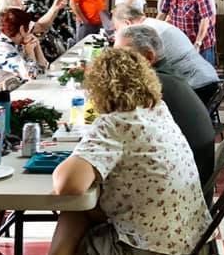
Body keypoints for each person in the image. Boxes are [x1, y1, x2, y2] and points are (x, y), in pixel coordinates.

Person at [50, 48, 211, 255]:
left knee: (72, 213)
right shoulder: (158, 110)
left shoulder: (116, 123)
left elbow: (68, 185)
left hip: (149, 248)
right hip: (190, 241)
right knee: (83, 212)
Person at [114, 24, 215, 202]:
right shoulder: (166, 75)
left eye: (122, 55)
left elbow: (118, 128)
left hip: (184, 191)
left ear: (149, 57)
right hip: (189, 181)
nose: (115, 61)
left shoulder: (154, 86)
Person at [113, 4, 220, 105]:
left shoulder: (144, 32)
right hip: (206, 78)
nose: (116, 33)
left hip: (198, 85)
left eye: (117, 29)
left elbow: (140, 66)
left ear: (127, 23)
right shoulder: (153, 23)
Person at [0, 8, 48, 105]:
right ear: (22, 29)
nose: (30, 32)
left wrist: (36, 45)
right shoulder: (2, 49)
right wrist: (30, 52)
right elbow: (31, 75)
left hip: (8, 93)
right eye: (29, 29)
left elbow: (42, 70)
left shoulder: (15, 44)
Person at [158, 0, 216, 67]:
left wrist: (198, 43)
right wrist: (152, 32)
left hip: (201, 45)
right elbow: (162, 13)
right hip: (181, 44)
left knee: (204, 80)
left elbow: (205, 18)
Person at [0, 0, 68, 49]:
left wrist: (55, 8)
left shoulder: (11, 23)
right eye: (21, 8)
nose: (24, 10)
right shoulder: (1, 33)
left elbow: (41, 26)